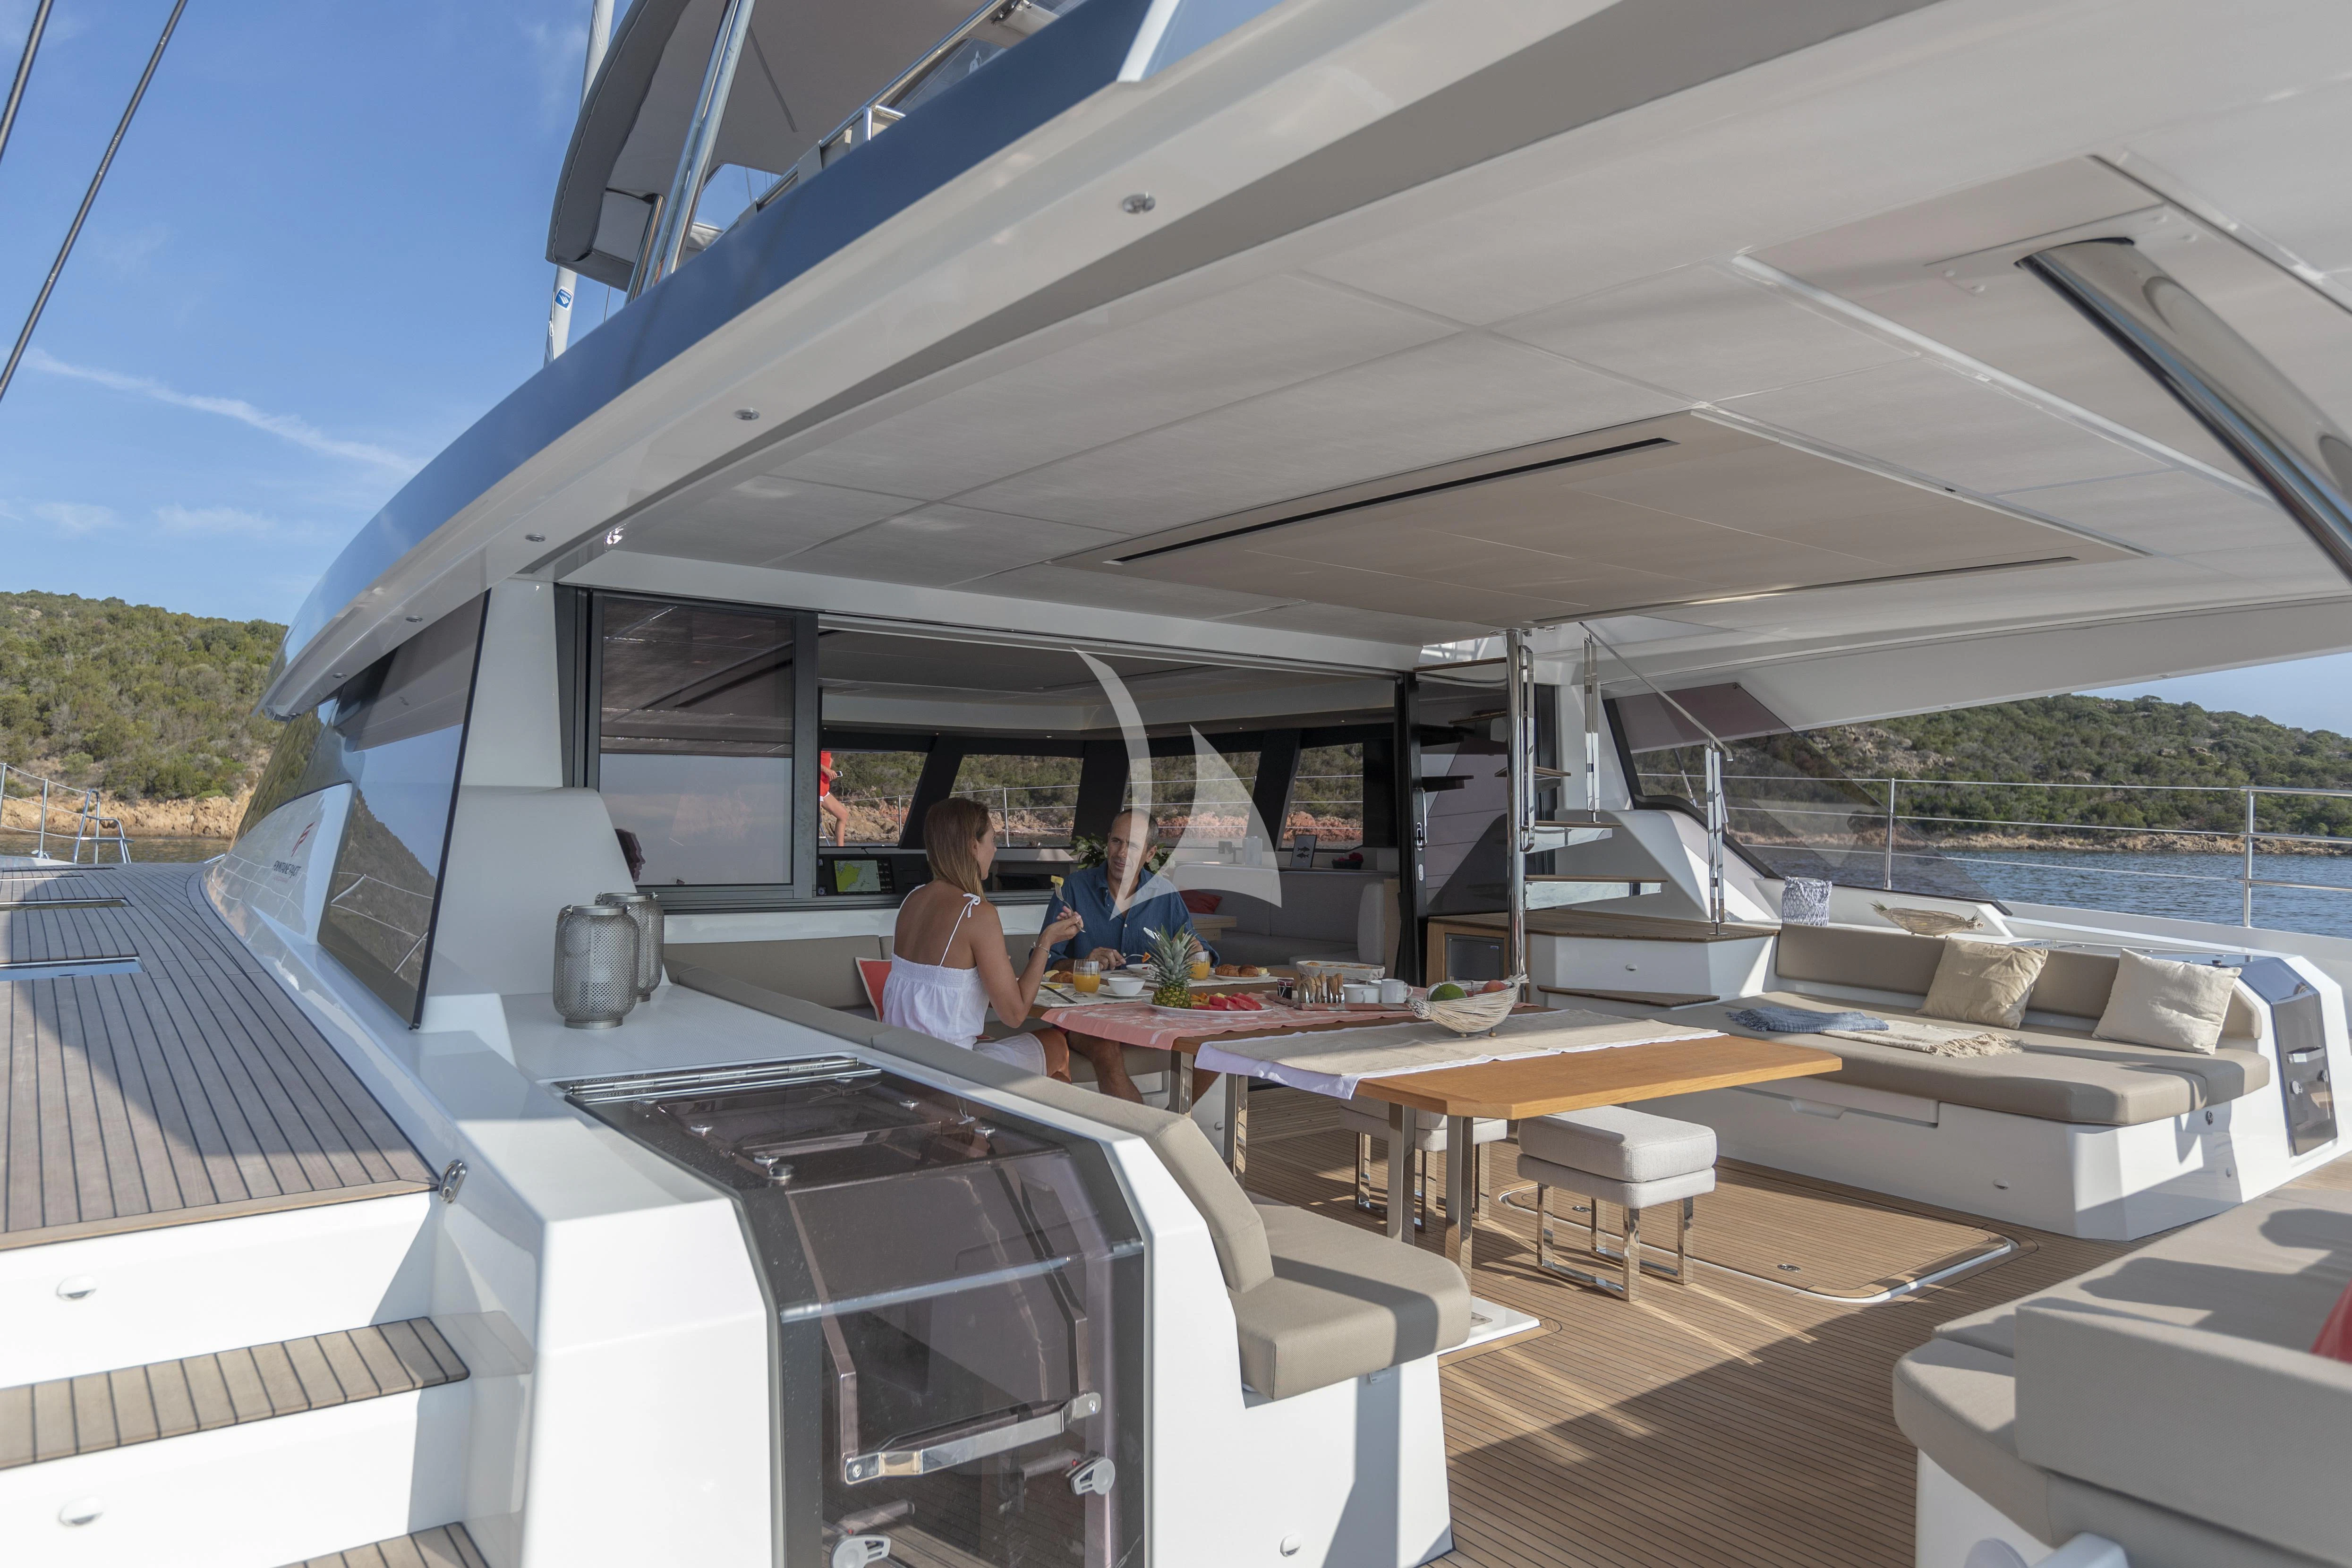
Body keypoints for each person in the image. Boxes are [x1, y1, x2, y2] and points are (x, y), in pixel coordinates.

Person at [885, 796, 1085, 1081]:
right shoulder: (976, 913)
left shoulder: (912, 902)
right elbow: (1015, 1015)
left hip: (901, 1064)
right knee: (1056, 1047)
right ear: (972, 846)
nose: (995, 849)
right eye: (992, 840)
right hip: (949, 1072)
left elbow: (935, 994)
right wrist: (1047, 942)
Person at [1049, 806, 1217, 1104]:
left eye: (1134, 846)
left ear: (1151, 853)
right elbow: (1048, 961)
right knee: (1106, 1050)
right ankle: (1147, 1138)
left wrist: (1197, 951)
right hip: (1085, 1012)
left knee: (1215, 1042)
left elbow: (1197, 946)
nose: (1121, 853)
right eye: (1117, 841)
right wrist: (1084, 963)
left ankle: (1168, 1123)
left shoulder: (1165, 894)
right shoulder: (1074, 889)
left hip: (1150, 1010)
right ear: (1108, 842)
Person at [818, 749, 852, 844]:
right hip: (817, 787)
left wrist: (829, 769)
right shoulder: (815, 742)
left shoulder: (829, 748)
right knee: (814, 820)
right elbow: (810, 759)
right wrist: (826, 770)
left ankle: (840, 850)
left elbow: (828, 760)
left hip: (824, 787)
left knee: (843, 815)